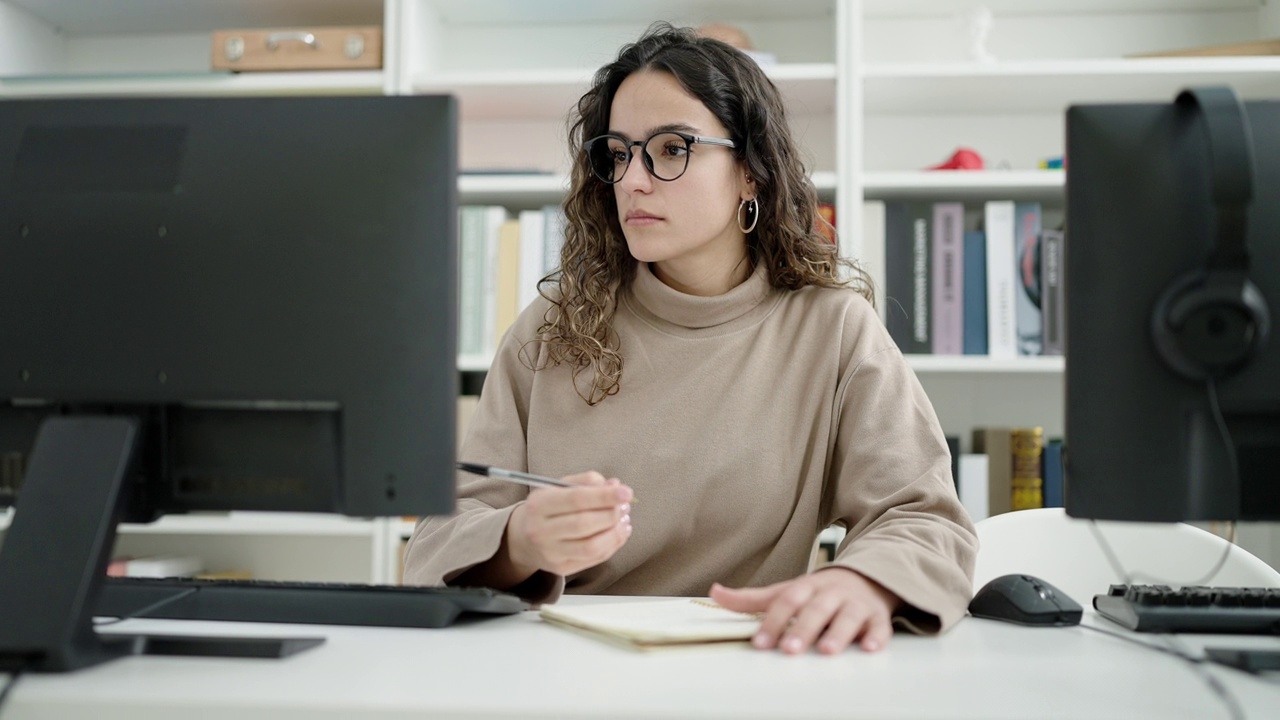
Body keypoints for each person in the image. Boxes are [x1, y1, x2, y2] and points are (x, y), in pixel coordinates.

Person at [404, 23, 977, 656]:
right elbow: (435, 541)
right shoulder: (551, 326)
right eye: (619, 154)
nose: (633, 181)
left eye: (671, 149)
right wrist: (518, 540)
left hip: (752, 666)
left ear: (750, 173)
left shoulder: (832, 329)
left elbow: (922, 515)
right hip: (560, 669)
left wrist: (865, 583)